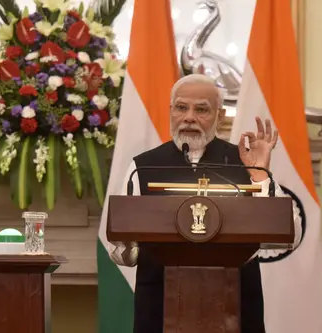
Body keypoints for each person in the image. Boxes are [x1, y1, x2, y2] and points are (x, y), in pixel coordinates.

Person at [107, 74, 301, 333]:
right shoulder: (142, 167)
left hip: (237, 306)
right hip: (160, 308)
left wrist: (259, 174)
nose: (189, 117)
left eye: (201, 109)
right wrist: (130, 243)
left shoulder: (247, 161)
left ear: (219, 117)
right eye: (181, 107)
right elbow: (123, 254)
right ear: (171, 111)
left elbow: (293, 233)